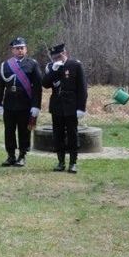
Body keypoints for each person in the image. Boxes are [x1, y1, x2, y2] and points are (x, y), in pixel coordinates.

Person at [0, 37, 42, 167]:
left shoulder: (32, 64)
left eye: (22, 48)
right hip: (9, 103)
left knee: (24, 131)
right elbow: (0, 86)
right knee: (9, 131)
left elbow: (37, 87)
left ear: (26, 49)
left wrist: (36, 105)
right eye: (17, 48)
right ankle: (11, 156)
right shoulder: (6, 65)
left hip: (25, 104)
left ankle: (22, 155)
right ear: (12, 50)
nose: (20, 50)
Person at [41, 44, 88, 173]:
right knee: (58, 134)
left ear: (64, 53)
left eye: (59, 56)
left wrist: (81, 108)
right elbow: (45, 84)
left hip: (71, 105)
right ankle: (61, 161)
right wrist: (53, 71)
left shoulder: (75, 65)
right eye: (54, 57)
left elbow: (82, 88)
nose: (57, 59)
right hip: (57, 105)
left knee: (72, 134)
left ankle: (73, 162)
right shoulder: (51, 67)